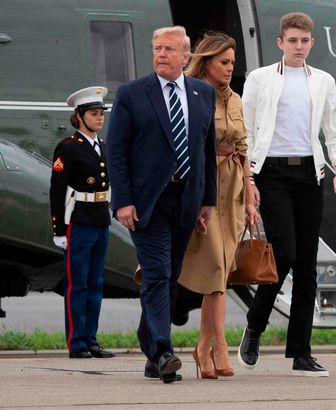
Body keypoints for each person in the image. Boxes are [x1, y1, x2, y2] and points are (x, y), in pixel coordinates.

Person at [238, 12, 336, 377]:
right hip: (270, 173)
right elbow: (246, 131)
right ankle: (255, 326)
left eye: (304, 41)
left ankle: (301, 352)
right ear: (280, 43)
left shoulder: (323, 81)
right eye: (292, 40)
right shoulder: (260, 79)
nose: (299, 46)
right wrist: (248, 178)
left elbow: (333, 129)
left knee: (307, 265)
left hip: (309, 173)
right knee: (283, 253)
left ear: (311, 43)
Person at [107, 26, 217, 383]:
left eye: (169, 49)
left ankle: (150, 347)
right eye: (156, 48)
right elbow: (117, 152)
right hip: (147, 202)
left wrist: (207, 201)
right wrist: (122, 201)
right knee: (156, 274)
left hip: (185, 201)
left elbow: (206, 150)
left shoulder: (203, 93)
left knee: (168, 278)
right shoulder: (133, 94)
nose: (160, 54)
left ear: (186, 56)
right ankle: (164, 352)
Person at [178, 32, 258, 379]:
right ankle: (218, 346)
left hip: (235, 190)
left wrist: (252, 190)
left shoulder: (237, 100)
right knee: (215, 270)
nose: (230, 69)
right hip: (205, 187)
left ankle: (204, 347)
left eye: (232, 63)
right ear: (207, 62)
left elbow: (244, 146)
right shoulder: (191, 95)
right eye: (224, 62)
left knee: (222, 271)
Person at [49, 86, 116, 359]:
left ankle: (91, 339)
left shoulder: (103, 146)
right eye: (93, 113)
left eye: (101, 113)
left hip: (100, 219)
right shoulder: (68, 148)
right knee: (77, 284)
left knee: (95, 282)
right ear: (79, 116)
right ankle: (76, 343)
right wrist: (59, 230)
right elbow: (57, 190)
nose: (99, 118)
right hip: (78, 222)